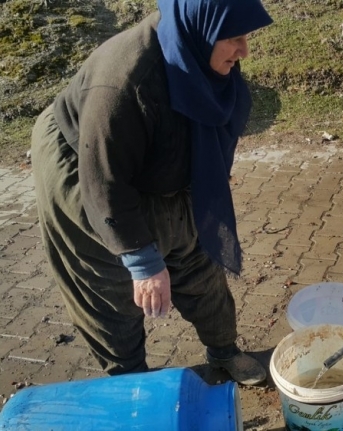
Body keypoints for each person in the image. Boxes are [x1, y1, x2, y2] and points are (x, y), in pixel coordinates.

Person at [30, 0, 273, 385]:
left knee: (197, 257)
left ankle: (224, 351)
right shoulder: (124, 81)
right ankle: (131, 381)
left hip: (143, 157)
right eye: (236, 39)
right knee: (112, 285)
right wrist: (143, 261)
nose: (244, 50)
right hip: (87, 166)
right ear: (204, 29)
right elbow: (104, 182)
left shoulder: (197, 44)